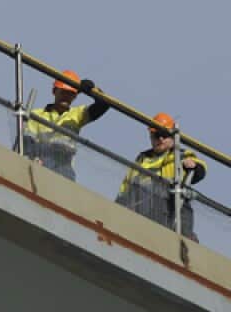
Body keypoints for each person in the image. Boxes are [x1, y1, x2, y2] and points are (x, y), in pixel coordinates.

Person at [115, 112, 207, 241]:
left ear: (171, 137)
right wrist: (119, 206)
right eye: (156, 135)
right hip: (142, 209)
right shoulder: (142, 158)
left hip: (169, 208)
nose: (161, 139)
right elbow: (126, 185)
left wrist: (194, 166)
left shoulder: (180, 155)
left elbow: (200, 168)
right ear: (150, 136)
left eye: (164, 135)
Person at [22, 69, 108, 180]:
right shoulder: (36, 114)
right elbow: (27, 144)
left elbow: (104, 104)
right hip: (38, 167)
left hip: (64, 171)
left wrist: (92, 90)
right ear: (54, 91)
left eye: (71, 94)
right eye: (64, 92)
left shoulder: (78, 115)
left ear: (75, 96)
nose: (67, 96)